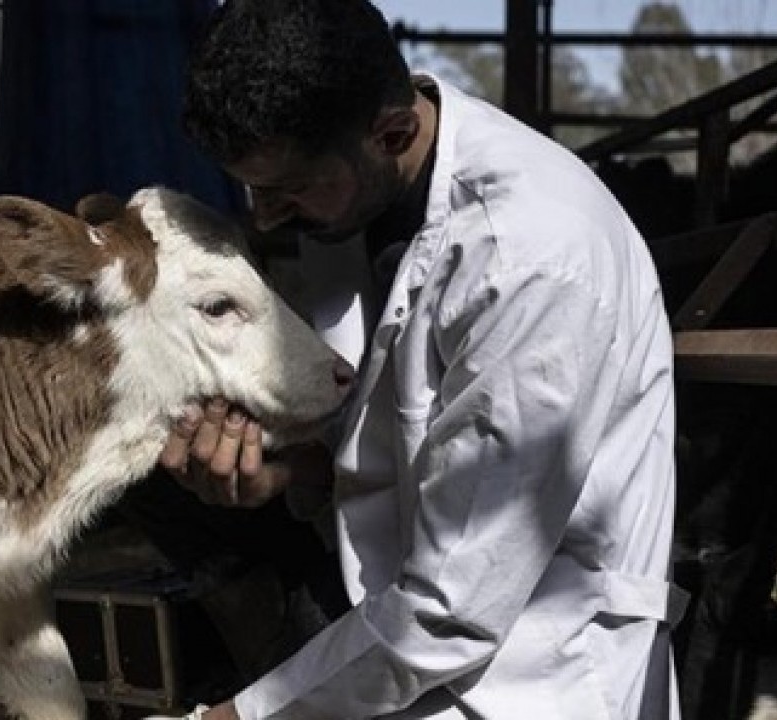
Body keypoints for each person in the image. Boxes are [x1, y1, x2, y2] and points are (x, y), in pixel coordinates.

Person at [149, 0, 684, 717]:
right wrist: (282, 474)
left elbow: (453, 609)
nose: (265, 215)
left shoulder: (527, 259)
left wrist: (235, 717)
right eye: (253, 187)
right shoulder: (359, 191)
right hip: (394, 615)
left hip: (524, 669)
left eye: (289, 188)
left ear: (393, 132)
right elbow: (402, 438)